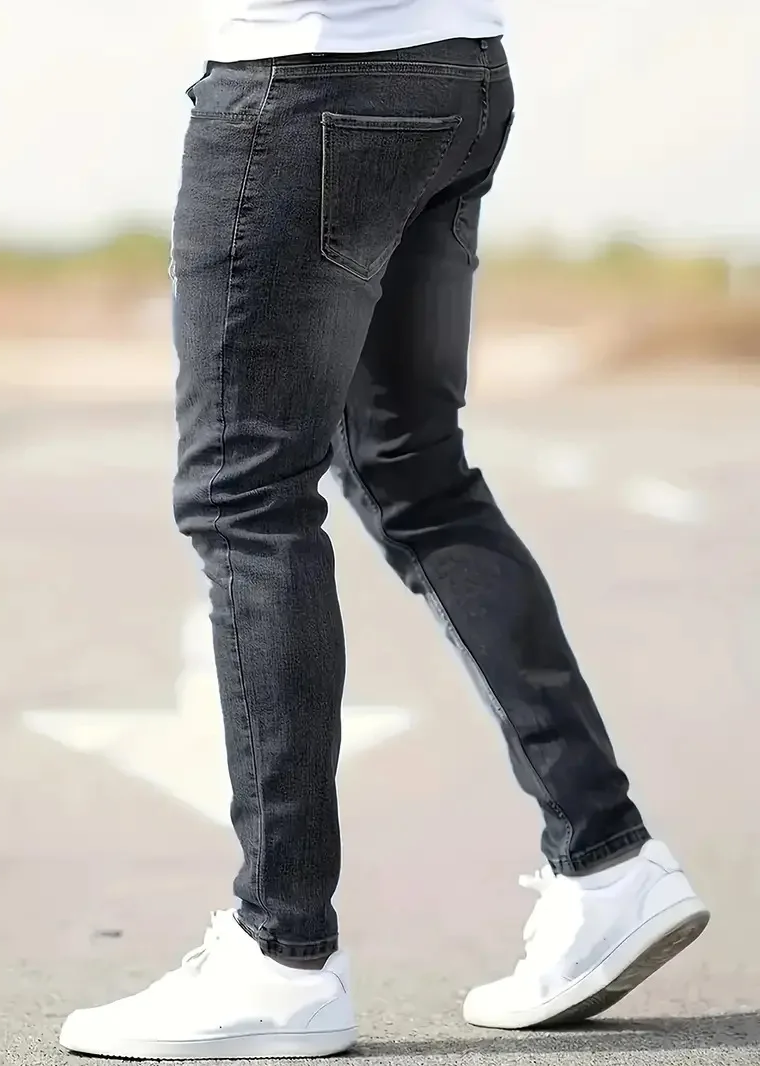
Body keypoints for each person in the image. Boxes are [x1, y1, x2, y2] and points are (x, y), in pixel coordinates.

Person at [60, 1, 709, 1059]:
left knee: (246, 498)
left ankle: (280, 956)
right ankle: (607, 860)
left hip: (306, 75)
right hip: (456, 73)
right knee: (417, 475)